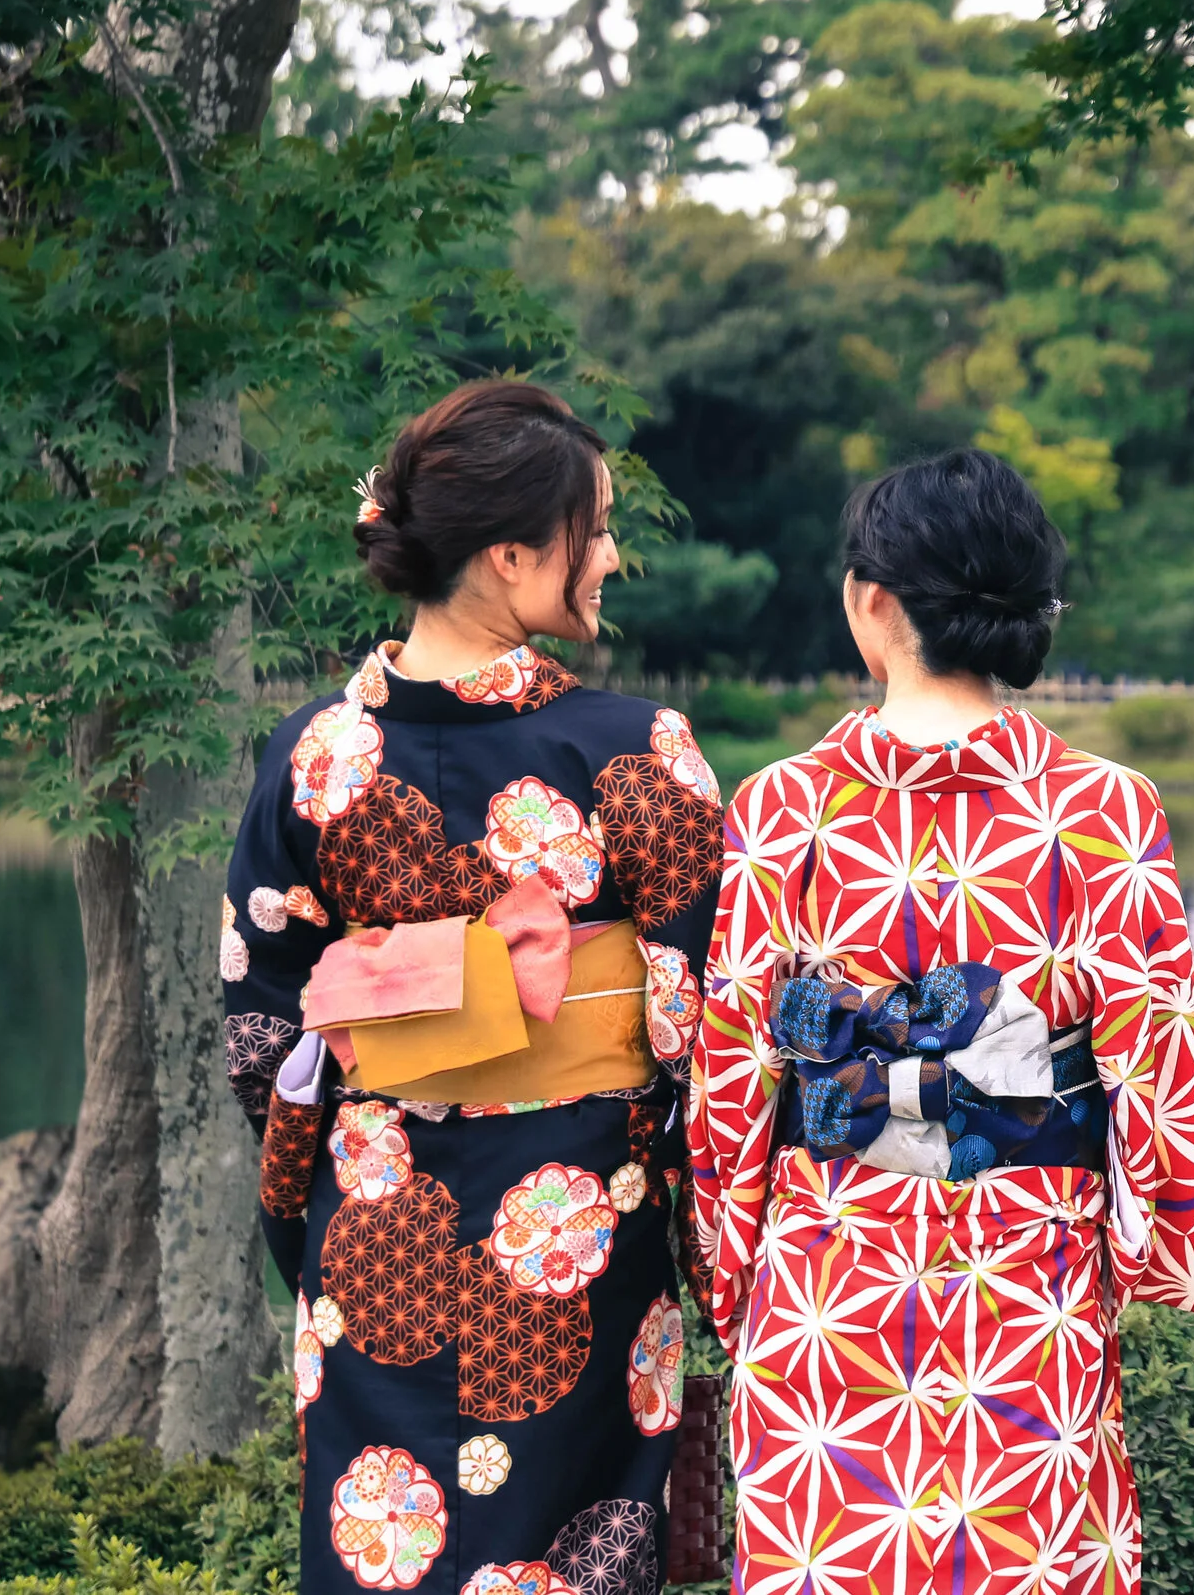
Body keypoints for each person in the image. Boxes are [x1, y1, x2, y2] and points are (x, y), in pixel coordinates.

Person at [222, 380, 720, 1595]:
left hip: (373, 1230)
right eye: (591, 531)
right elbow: (713, 1016)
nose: (611, 555)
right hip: (577, 1236)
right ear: (509, 556)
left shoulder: (314, 756)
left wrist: (325, 1196)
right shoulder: (633, 748)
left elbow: (262, 1033)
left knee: (381, 1552)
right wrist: (695, 1217)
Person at [690, 450, 1194, 1595]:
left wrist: (730, 1268)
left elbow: (732, 1065)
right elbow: (1154, 1063)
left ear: (871, 600)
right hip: (1033, 1259)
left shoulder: (784, 802)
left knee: (829, 1555)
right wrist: (1153, 1260)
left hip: (831, 1260)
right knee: (1030, 1554)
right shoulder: (1106, 807)